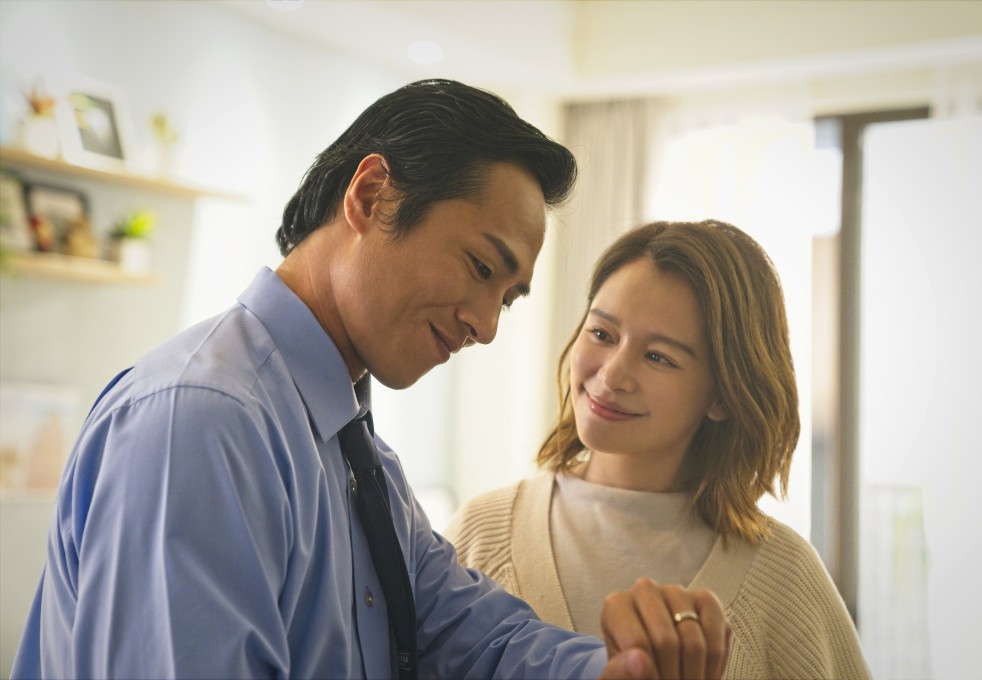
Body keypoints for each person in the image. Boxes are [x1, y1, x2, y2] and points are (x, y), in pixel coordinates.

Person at [12, 81, 731, 680]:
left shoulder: (357, 456)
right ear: (371, 195)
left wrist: (609, 670)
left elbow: (460, 629)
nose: (486, 324)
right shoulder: (206, 420)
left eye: (508, 298)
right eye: (483, 268)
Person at [446, 220, 872, 679]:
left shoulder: (783, 578)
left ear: (724, 396)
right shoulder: (483, 532)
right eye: (602, 334)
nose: (612, 376)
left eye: (658, 357)